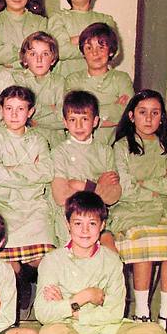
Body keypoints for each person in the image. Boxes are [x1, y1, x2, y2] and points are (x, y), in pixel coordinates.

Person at [36, 191, 167, 334]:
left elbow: (115, 312)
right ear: (68, 225)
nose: (84, 231)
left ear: (102, 226)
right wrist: (84, 297)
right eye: (78, 223)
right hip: (70, 330)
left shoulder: (112, 261)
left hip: (108, 329)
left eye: (92, 224)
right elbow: (42, 313)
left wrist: (72, 310)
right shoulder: (52, 261)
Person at [108, 90, 167, 334]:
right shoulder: (122, 147)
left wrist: (144, 183)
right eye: (143, 112)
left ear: (162, 118)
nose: (149, 118)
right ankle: (142, 312)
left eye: (155, 113)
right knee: (143, 243)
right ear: (131, 116)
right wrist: (155, 188)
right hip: (129, 212)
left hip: (162, 211)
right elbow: (127, 190)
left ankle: (165, 315)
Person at [0, 85, 54, 310]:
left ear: (30, 112)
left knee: (45, 258)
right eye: (9, 108)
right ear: (1, 110)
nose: (14, 115)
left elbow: (47, 171)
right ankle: (17, 288)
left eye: (21, 109)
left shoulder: (39, 140)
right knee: (7, 261)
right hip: (4, 205)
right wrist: (28, 170)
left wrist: (11, 169)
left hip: (34, 205)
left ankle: (38, 293)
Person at [50, 90, 121, 248]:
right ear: (65, 122)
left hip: (99, 218)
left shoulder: (105, 151)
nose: (79, 126)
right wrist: (98, 186)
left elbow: (113, 195)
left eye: (84, 119)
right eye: (73, 120)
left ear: (95, 121)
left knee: (110, 253)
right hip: (69, 220)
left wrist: (82, 185)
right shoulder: (59, 153)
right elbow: (61, 197)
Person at [65, 23, 133, 145]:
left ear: (111, 51)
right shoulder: (72, 80)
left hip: (112, 147)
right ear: (83, 53)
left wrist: (85, 113)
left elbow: (127, 115)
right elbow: (70, 115)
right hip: (78, 148)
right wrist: (113, 108)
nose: (95, 53)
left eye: (101, 48)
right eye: (89, 48)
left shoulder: (121, 79)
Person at [48, 0, 118, 77]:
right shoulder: (58, 18)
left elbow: (115, 50)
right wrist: (97, 48)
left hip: (98, 81)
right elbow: (60, 51)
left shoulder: (105, 19)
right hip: (65, 80)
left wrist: (74, 40)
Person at [12, 31, 66, 148]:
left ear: (53, 59)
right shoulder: (18, 80)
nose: (39, 59)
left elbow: (65, 119)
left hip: (55, 142)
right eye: (33, 54)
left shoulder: (59, 82)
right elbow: (18, 113)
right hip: (26, 142)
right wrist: (51, 109)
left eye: (45, 54)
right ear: (24, 60)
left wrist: (33, 116)